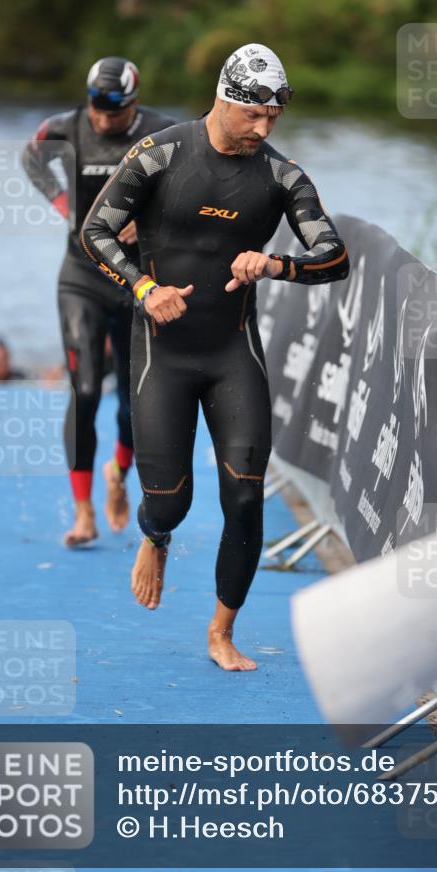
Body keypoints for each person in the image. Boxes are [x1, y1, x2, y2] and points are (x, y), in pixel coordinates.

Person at [81, 43, 349, 670]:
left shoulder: (282, 176)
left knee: (247, 497)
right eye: (254, 115)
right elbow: (93, 232)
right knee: (171, 500)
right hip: (163, 352)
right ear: (226, 98)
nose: (264, 129)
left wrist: (276, 264)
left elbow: (335, 257)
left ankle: (221, 631)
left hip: (233, 351)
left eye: (274, 119)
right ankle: (155, 531)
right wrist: (144, 289)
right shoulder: (159, 154)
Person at [22, 57, 176, 546]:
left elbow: (191, 185)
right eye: (97, 110)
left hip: (135, 278)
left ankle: (118, 478)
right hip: (82, 276)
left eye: (115, 113)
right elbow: (30, 157)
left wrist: (151, 214)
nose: (104, 120)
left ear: (133, 103)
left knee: (134, 402)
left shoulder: (163, 131)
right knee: (85, 389)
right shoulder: (66, 127)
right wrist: (64, 204)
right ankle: (83, 511)